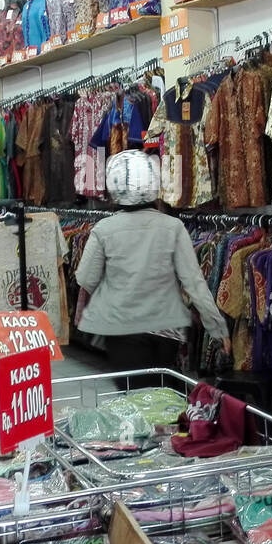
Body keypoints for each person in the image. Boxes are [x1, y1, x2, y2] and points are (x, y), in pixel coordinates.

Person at [74, 150, 230, 383]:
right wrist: (218, 330)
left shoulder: (103, 230)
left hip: (123, 328)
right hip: (167, 329)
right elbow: (195, 283)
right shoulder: (173, 227)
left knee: (133, 399)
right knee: (162, 395)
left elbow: (86, 279)